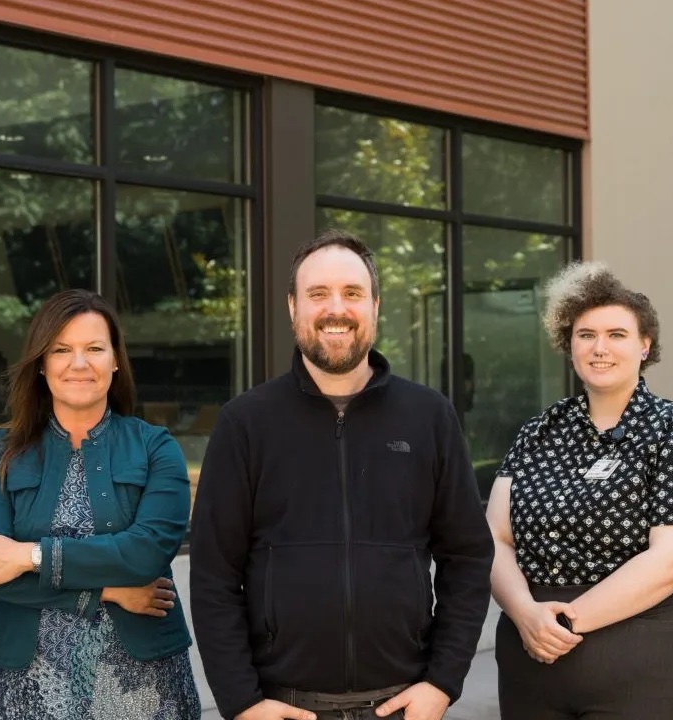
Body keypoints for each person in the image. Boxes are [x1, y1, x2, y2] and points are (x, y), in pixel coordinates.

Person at [189, 229, 494, 720]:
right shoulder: (246, 422)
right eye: (318, 294)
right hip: (283, 708)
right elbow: (212, 575)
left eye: (352, 293)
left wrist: (442, 683)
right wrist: (241, 702)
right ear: (292, 307)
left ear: (375, 306)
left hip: (401, 706)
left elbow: (467, 558)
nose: (336, 309)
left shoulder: (429, 417)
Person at [487, 261, 673, 719]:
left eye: (616, 335)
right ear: (569, 344)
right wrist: (523, 613)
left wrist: (561, 624)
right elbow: (495, 537)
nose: (600, 348)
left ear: (644, 344)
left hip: (649, 660)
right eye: (586, 335)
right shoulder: (538, 431)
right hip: (531, 660)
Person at [0, 289, 201, 719]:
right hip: (27, 684)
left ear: (114, 360)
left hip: (144, 685)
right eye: (61, 350)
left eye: (94, 348)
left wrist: (28, 556)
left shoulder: (155, 448)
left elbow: (144, 555)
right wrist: (107, 591)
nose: (78, 363)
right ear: (41, 364)